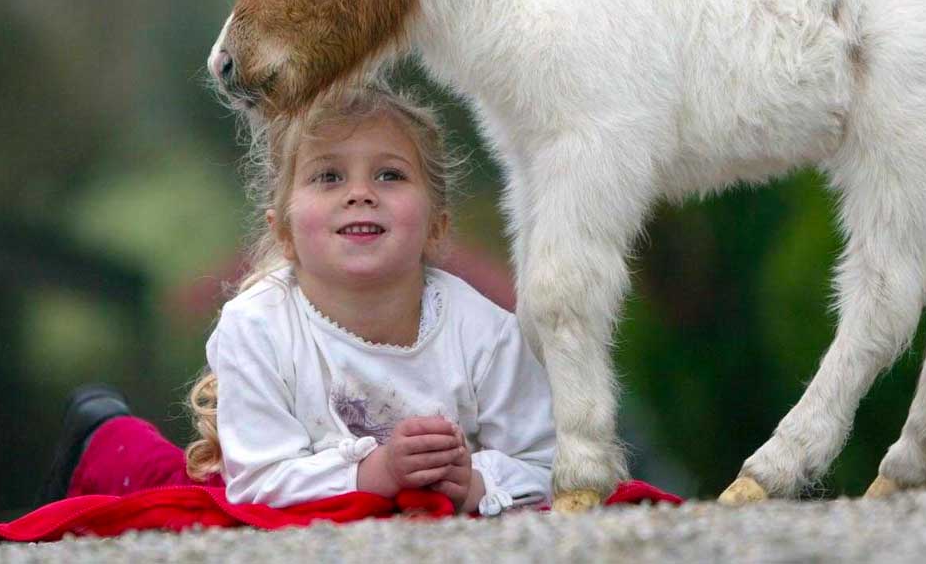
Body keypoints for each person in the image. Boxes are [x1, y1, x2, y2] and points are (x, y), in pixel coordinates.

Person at [41, 83, 555, 517]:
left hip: (406, 501)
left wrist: (474, 483)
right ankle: (101, 436)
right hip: (271, 469)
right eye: (328, 176)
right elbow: (259, 482)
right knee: (180, 496)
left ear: (437, 225)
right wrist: (373, 472)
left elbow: (547, 463)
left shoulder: (488, 333)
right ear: (283, 231)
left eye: (390, 174)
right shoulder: (257, 324)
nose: (360, 193)